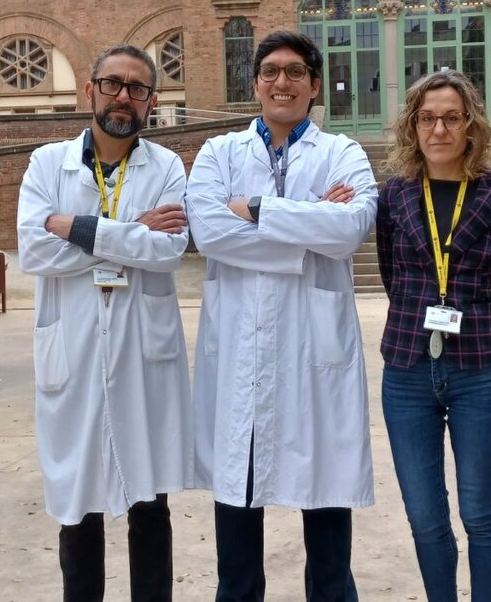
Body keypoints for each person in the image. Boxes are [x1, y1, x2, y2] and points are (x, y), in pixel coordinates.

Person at [184, 30, 378, 601]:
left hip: (316, 353)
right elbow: (211, 233)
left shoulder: (344, 152)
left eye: (295, 72)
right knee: (237, 524)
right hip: (242, 352)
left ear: (314, 86)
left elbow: (349, 232)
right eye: (270, 71)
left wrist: (258, 209)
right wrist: (309, 222)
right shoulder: (220, 153)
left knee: (327, 521)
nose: (282, 82)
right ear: (255, 85)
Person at [16, 44, 192, 602]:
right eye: (112, 84)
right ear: (88, 90)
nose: (124, 96)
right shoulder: (48, 163)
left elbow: (167, 250)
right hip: (74, 351)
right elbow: (32, 250)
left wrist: (75, 228)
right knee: (78, 503)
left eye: (137, 88)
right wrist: (129, 231)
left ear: (152, 102)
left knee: (150, 502)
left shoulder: (166, 167)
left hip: (144, 354)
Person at [376, 70, 491, 601]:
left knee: (481, 515)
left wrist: (475, 325)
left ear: (471, 126)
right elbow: (393, 277)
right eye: (427, 118)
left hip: (478, 374)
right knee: (424, 517)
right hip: (407, 372)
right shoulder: (393, 196)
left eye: (451, 117)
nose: (438, 129)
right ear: (413, 127)